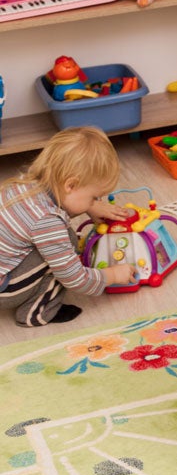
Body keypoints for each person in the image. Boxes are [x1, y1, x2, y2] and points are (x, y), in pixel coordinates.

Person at [0, 127, 137, 327]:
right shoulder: (47, 220)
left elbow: (65, 202)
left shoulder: (23, 184)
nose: (95, 201)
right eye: (93, 197)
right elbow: (74, 278)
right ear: (70, 185)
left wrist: (90, 206)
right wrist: (112, 275)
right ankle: (36, 312)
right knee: (68, 244)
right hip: (5, 290)